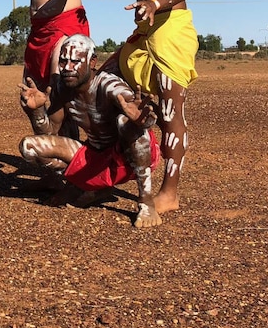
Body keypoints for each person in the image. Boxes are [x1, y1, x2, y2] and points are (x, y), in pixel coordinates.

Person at [98, 0, 198, 215]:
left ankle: (170, 191)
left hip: (169, 31)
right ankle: (112, 164)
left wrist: (155, 4)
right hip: (144, 32)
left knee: (171, 111)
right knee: (103, 80)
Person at [17, 35, 162, 227]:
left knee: (125, 121)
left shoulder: (109, 86)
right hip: (95, 155)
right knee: (29, 147)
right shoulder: (63, 88)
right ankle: (87, 187)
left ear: (92, 62)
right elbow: (49, 133)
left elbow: (145, 117)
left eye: (75, 61)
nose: (67, 68)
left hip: (128, 159)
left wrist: (143, 120)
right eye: (63, 61)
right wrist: (36, 112)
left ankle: (146, 201)